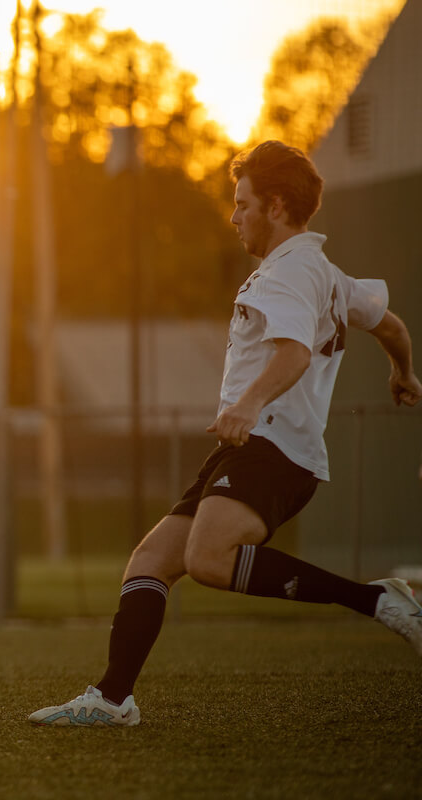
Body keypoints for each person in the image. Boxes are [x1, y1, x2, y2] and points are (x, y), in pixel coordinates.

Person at [29, 140, 422, 727]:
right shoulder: (325, 273)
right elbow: (388, 323)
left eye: (243, 204)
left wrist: (247, 403)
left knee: (209, 560)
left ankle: (375, 598)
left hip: (274, 447)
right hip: (254, 445)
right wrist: (403, 371)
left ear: (278, 205)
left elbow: (291, 353)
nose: (234, 216)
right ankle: (113, 700)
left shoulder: (288, 274)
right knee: (149, 562)